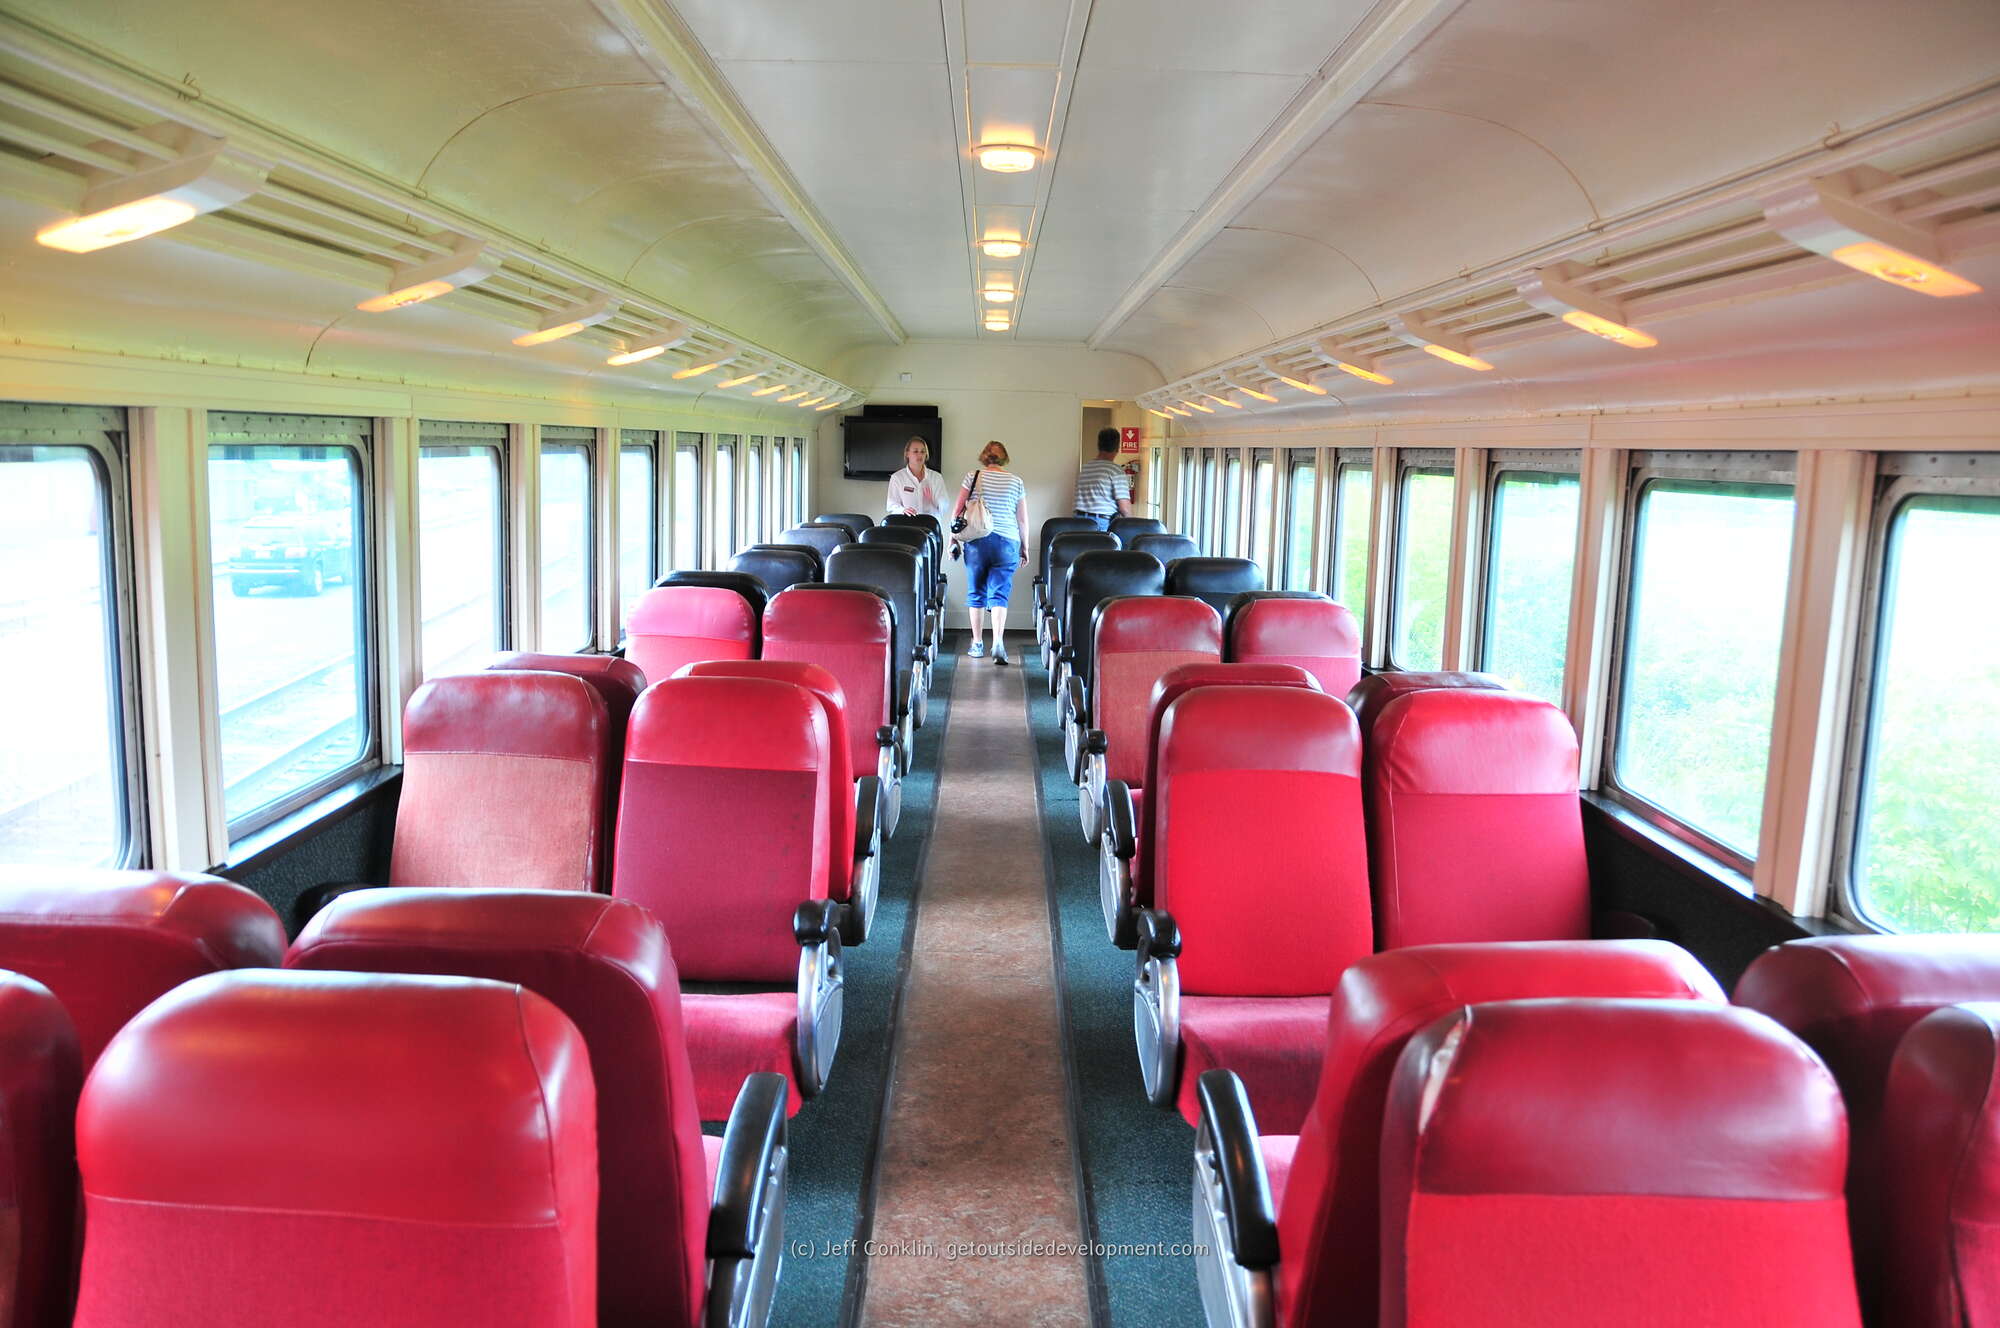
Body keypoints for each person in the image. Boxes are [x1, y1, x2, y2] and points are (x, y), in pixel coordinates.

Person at [949, 440, 1028, 665]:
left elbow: (957, 511)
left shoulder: (972, 476)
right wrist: (1024, 547)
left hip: (977, 541)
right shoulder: (1016, 482)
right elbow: (1022, 519)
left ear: (984, 457)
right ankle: (998, 641)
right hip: (1007, 542)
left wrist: (952, 539)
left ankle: (976, 644)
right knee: (999, 593)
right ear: (1004, 458)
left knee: (976, 591)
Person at [1073, 428, 1132, 530]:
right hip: (1100, 523)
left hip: (1078, 521)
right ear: (1117, 447)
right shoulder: (1116, 471)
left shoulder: (1085, 468)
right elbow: (1125, 509)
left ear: (1099, 445)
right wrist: (1133, 526)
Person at [885, 436, 948, 519]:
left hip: (930, 524)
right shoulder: (897, 478)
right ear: (907, 454)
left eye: (923, 452)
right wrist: (903, 510)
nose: (920, 455)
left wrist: (933, 499)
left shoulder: (936, 477)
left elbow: (944, 507)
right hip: (907, 524)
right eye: (915, 451)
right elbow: (891, 505)